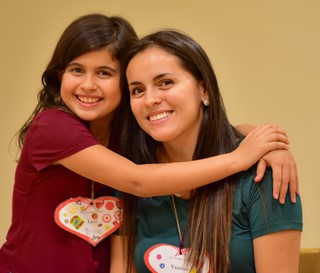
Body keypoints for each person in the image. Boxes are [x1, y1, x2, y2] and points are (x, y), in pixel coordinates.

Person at [0, 13, 296, 273]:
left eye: (104, 73)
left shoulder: (126, 137)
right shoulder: (53, 126)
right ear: (59, 74)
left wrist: (266, 141)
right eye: (76, 70)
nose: (88, 85)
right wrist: (239, 157)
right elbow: (137, 181)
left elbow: (207, 124)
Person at [110, 30, 303, 273]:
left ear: (204, 90)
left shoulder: (263, 174)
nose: (150, 99)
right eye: (137, 90)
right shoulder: (130, 179)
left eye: (165, 82)